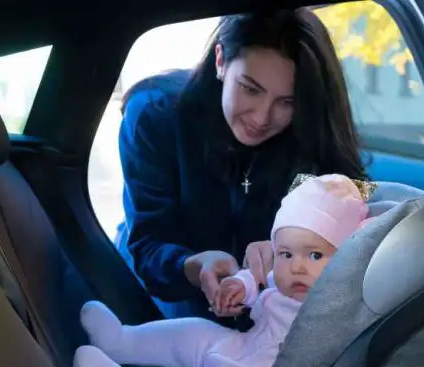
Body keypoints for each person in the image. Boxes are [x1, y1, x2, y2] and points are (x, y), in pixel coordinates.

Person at [114, 9, 366, 322]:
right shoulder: (155, 116)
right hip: (164, 298)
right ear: (220, 61)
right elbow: (148, 245)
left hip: (266, 306)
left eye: (286, 102)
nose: (262, 118)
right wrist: (192, 265)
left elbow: (353, 204)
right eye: (250, 88)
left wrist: (291, 243)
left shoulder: (309, 134)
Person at [75, 174, 373, 367]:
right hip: (239, 348)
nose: (296, 266)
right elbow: (259, 280)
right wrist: (238, 287)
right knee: (194, 332)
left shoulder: (336, 304)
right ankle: (121, 341)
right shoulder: (287, 279)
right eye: (285, 254)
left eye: (315, 256)